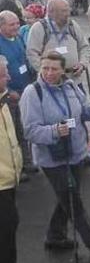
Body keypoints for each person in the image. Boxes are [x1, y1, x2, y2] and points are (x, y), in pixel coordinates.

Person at [21, 51, 90, 261]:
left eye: (54, 69)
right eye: (45, 68)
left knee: (68, 195)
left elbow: (84, 111)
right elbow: (30, 131)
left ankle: (54, 235)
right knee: (73, 202)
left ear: (62, 70)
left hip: (76, 153)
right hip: (52, 159)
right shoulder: (33, 93)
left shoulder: (70, 87)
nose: (49, 73)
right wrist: (53, 131)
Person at [0, 54, 35, 263]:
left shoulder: (4, 102)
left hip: (8, 178)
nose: (9, 77)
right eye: (4, 74)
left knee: (9, 224)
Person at [0, 11, 36, 175]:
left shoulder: (19, 38)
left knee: (23, 129)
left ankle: (27, 162)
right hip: (9, 95)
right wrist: (9, 91)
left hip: (25, 90)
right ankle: (17, 168)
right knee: (12, 132)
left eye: (17, 23)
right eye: (12, 24)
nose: (17, 27)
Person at [25, 0, 90, 89]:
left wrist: (83, 64)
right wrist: (48, 73)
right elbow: (32, 53)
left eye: (68, 10)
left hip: (74, 80)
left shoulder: (72, 25)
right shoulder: (39, 28)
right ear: (51, 12)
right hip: (50, 84)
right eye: (64, 11)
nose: (68, 14)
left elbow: (84, 46)